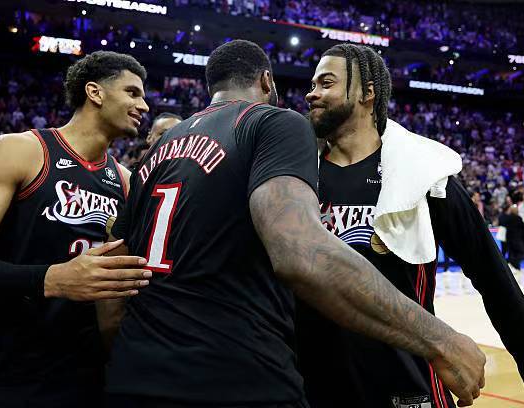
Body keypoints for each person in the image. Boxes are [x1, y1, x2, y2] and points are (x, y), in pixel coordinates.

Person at [104, 40, 485, 408]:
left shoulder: (158, 150)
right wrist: (441, 340)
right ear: (267, 81)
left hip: (135, 374)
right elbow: (300, 254)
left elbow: (113, 275)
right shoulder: (272, 122)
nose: (309, 95)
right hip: (234, 379)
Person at [300, 43, 524, 408]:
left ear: (367, 93)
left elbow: (496, 283)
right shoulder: (295, 178)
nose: (311, 93)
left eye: (326, 83)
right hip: (316, 390)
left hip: (408, 389)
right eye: (313, 84)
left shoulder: (425, 176)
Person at [0, 51, 152, 408]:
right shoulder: (21, 150)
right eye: (132, 92)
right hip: (17, 368)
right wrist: (51, 279)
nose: (144, 105)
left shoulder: (124, 180)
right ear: (95, 92)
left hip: (90, 373)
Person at [500, 205, 524, 272]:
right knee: (521, 253)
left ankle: (514, 266)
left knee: (512, 253)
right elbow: (523, 229)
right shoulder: (518, 218)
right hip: (517, 239)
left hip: (509, 240)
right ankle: (511, 262)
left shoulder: (507, 218)